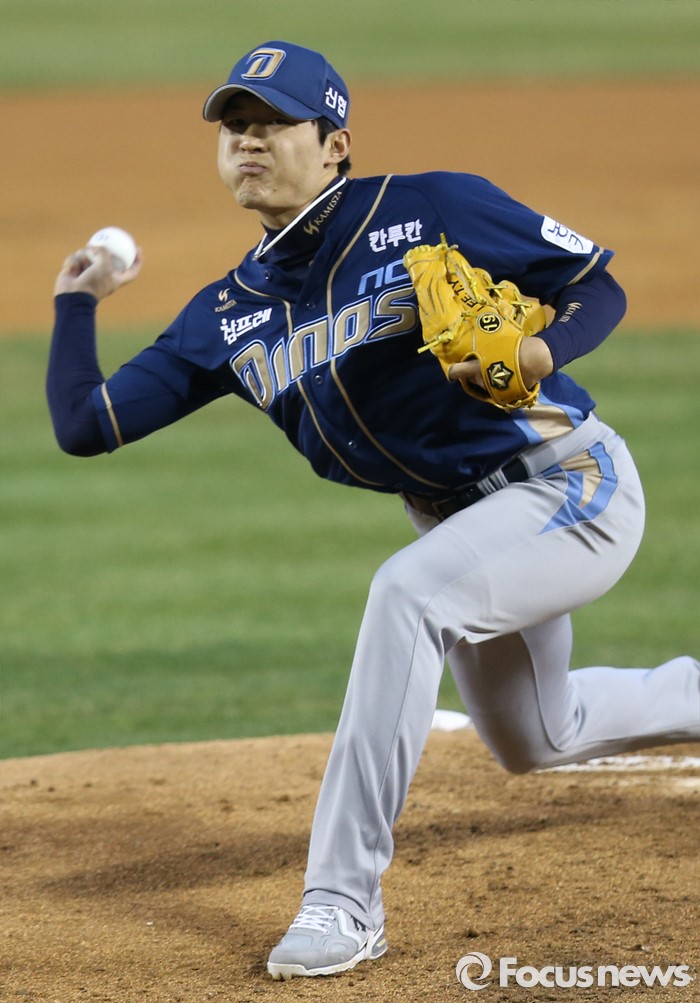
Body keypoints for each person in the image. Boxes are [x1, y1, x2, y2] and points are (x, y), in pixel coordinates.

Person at [47, 40, 699, 982]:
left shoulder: (431, 208)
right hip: (465, 525)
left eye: (274, 122)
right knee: (538, 736)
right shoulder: (225, 315)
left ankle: (344, 901)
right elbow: (86, 424)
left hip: (571, 486)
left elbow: (594, 282)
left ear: (336, 144)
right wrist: (76, 303)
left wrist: (544, 351)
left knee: (407, 595)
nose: (248, 140)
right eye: (234, 125)